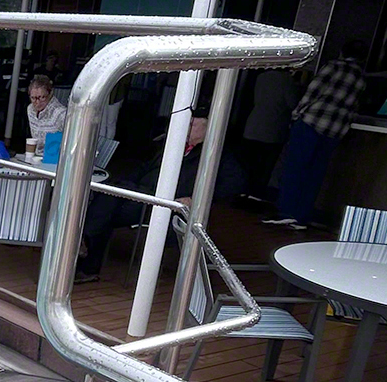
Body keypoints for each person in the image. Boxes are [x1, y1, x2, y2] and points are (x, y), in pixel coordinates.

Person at [77, 116, 246, 280]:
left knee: (106, 203)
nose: (186, 127)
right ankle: (86, 256)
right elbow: (143, 169)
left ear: (207, 129)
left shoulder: (216, 155)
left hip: (166, 205)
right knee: (107, 204)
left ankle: (83, 251)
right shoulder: (174, 145)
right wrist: (125, 185)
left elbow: (235, 184)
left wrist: (197, 199)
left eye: (192, 124)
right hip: (141, 197)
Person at [266, 42, 366, 231]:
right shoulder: (361, 77)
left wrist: (296, 114)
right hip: (335, 130)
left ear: (342, 52)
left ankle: (286, 212)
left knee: (295, 168)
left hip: (312, 122)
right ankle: (301, 216)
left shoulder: (334, 66)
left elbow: (313, 93)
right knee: (315, 174)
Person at [236, 62, 301, 202]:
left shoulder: (261, 77)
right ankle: (255, 197)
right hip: (274, 128)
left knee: (249, 164)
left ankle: (242, 193)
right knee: (265, 167)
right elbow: (293, 104)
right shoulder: (287, 81)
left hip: (253, 124)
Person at [23, 74, 67, 156]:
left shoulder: (61, 114)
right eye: (33, 98)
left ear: (50, 94)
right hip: (36, 155)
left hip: (54, 157)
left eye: (42, 97)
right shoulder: (30, 110)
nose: (37, 102)